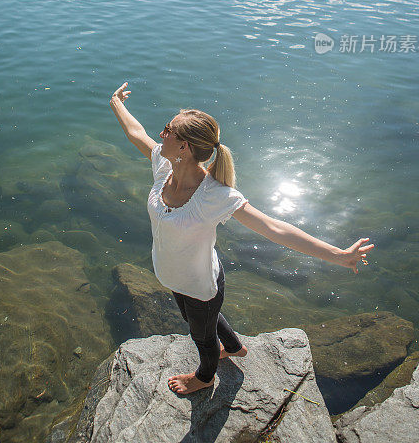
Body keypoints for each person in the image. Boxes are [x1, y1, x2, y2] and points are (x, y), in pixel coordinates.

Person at [109, 81, 374, 397]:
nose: (161, 134)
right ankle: (234, 346)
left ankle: (206, 376)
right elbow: (136, 134)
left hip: (200, 283)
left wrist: (340, 256)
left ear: (185, 147)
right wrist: (116, 103)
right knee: (203, 318)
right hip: (176, 275)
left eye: (169, 130)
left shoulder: (215, 196)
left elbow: (274, 228)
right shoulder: (165, 165)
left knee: (202, 335)